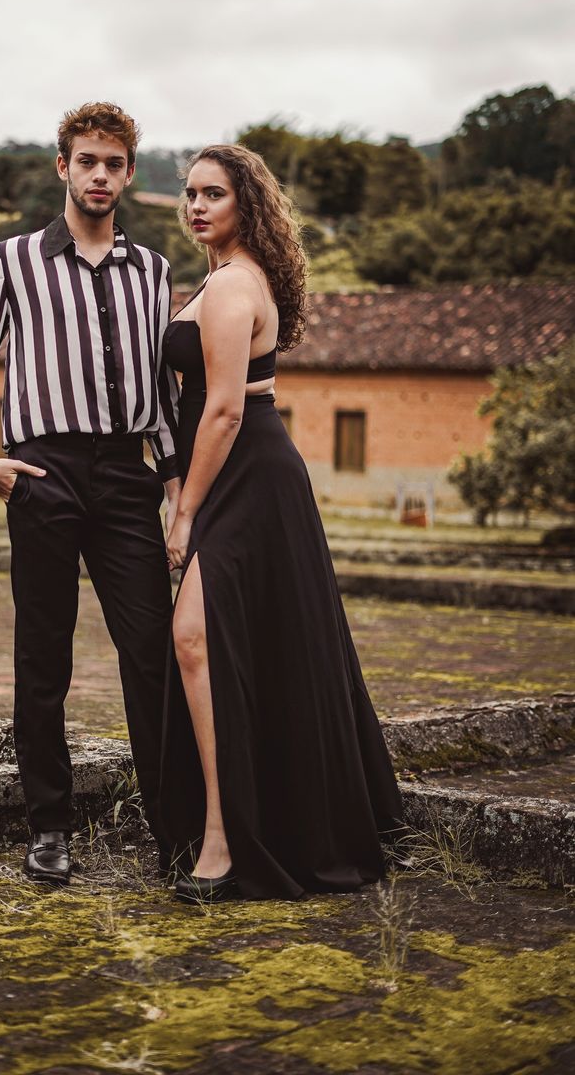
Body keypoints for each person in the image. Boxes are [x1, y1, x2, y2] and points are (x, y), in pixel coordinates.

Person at [159, 144, 403, 904]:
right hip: (233, 470)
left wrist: (183, 512)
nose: (198, 206)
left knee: (193, 636)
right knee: (221, 643)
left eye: (215, 194)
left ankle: (226, 842)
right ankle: (224, 829)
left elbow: (226, 409)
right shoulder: (219, 278)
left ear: (246, 205)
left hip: (247, 476)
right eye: (190, 193)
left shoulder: (233, 289)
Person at [0, 102, 181, 885]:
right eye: (87, 161)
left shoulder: (151, 271)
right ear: (63, 167)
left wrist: (174, 484)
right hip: (42, 472)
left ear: (127, 174)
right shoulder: (12, 260)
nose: (100, 176)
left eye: (114, 164)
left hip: (125, 477)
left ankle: (174, 831)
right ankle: (49, 825)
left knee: (152, 653)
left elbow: (162, 392)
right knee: (42, 657)